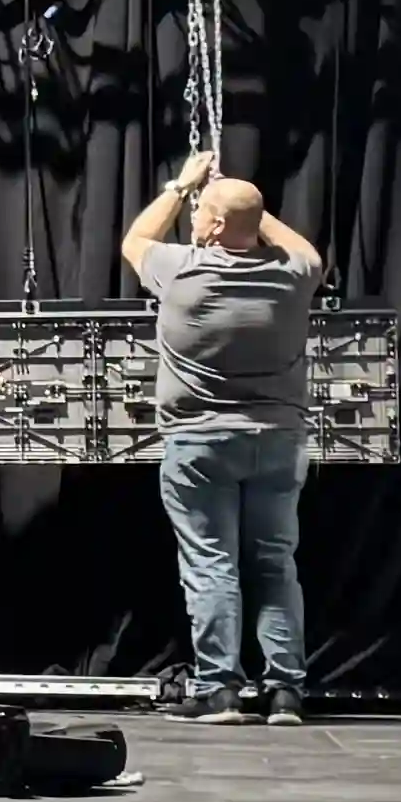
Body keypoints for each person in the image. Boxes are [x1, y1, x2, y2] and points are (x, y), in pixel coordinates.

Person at [120, 146, 324, 723]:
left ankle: (219, 690)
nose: (191, 221)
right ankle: (285, 691)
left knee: (212, 565)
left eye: (200, 215)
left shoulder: (180, 270)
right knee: (275, 564)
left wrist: (183, 186)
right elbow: (304, 249)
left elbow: (134, 240)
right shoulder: (292, 276)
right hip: (279, 442)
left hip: (199, 445)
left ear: (209, 225)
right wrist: (241, 202)